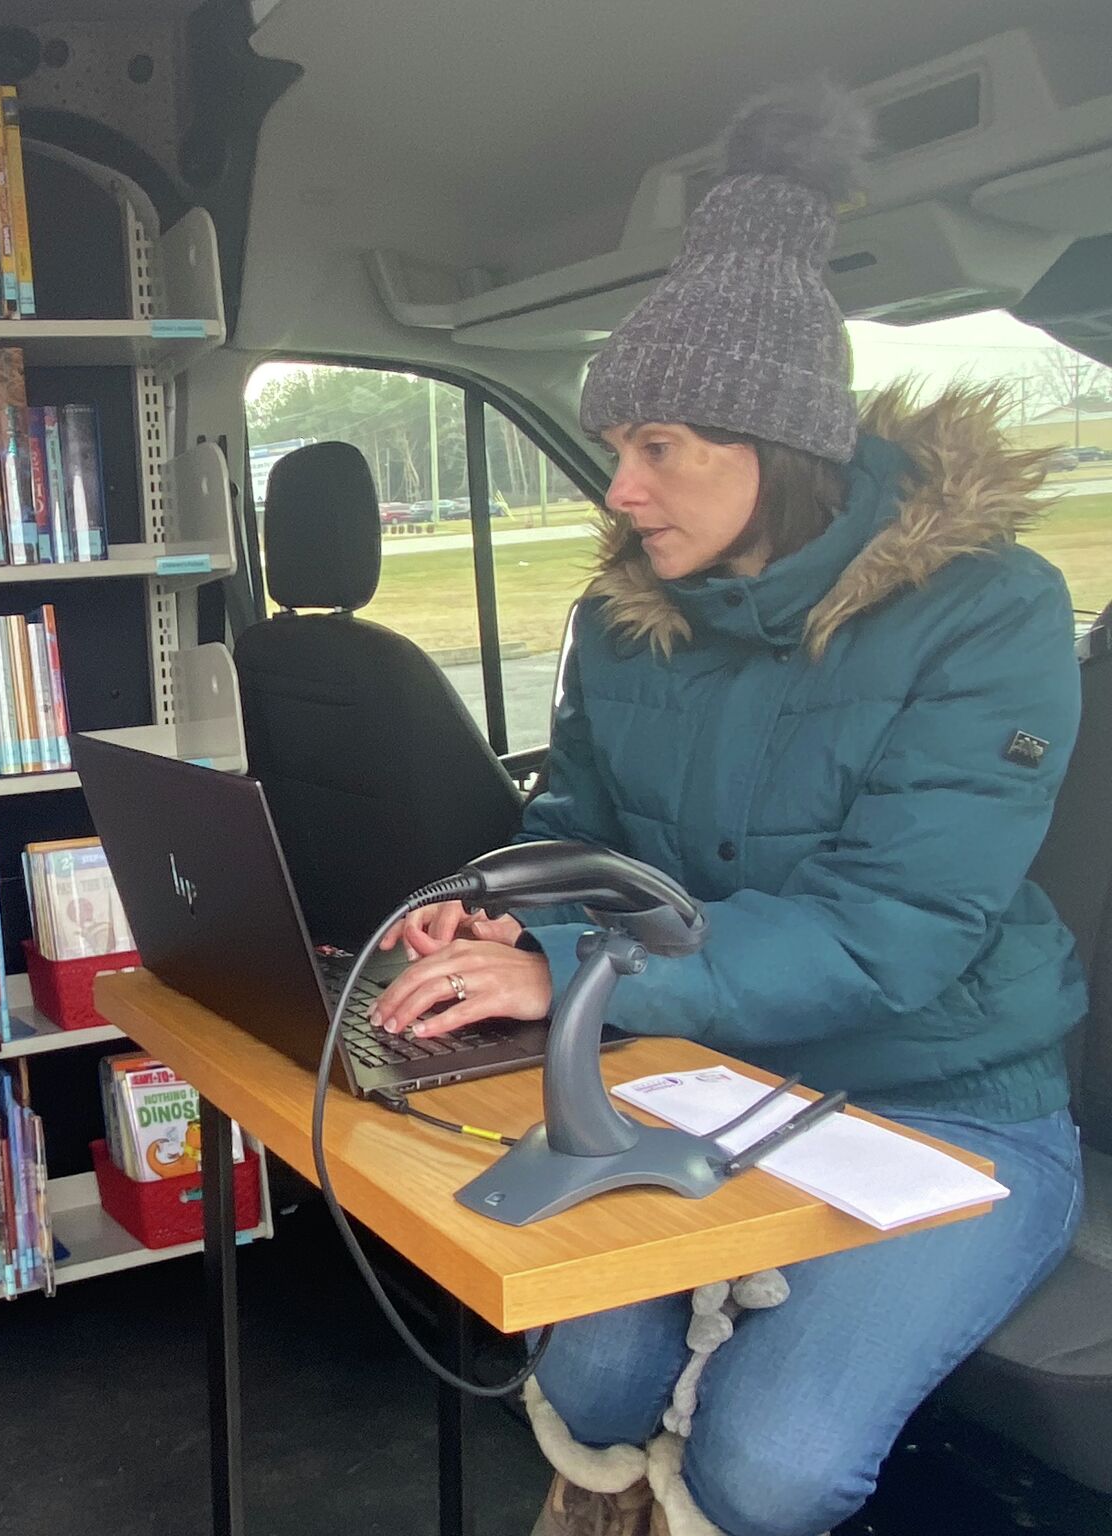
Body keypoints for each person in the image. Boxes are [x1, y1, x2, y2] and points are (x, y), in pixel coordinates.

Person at [372, 85, 1085, 1536]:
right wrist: (500, 904)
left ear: (778, 443)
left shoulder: (986, 612)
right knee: (592, 1372)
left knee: (774, 1465)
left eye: (658, 448)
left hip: (947, 1098)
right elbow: (578, 811)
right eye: (616, 447)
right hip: (701, 1071)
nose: (619, 489)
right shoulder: (632, 617)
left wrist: (560, 974)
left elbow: (890, 933)